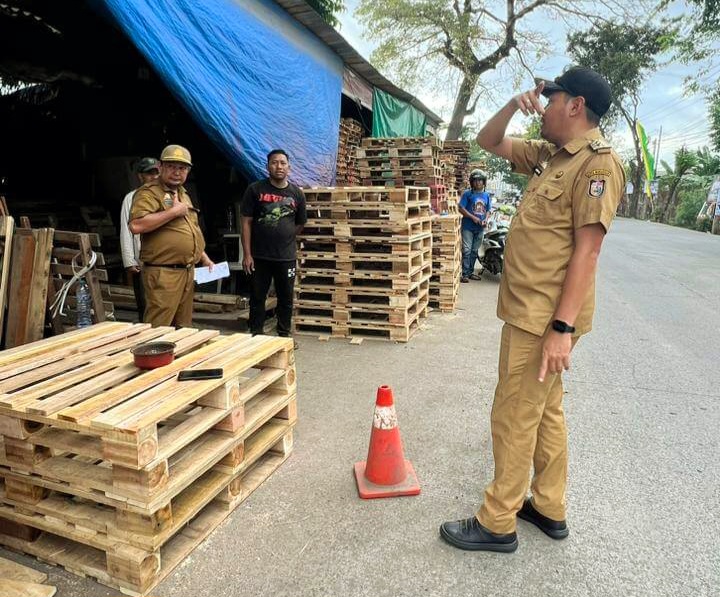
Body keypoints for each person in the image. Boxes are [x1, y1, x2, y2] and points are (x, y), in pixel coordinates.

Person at [440, 66, 625, 552]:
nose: (543, 106)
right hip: (533, 312)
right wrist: (512, 103)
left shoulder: (597, 165)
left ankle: (497, 521)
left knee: (514, 413)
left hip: (542, 318)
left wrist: (561, 328)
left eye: (551, 97)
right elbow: (489, 139)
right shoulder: (551, 155)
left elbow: (588, 252)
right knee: (545, 413)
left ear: (576, 105)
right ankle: (548, 505)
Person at [129, 144, 214, 327]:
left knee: (184, 328)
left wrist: (204, 258)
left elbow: (191, 228)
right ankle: (153, 356)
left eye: (182, 168)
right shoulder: (149, 193)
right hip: (163, 272)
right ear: (161, 167)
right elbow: (136, 225)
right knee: (158, 328)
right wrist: (173, 212)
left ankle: (179, 356)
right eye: (172, 166)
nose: (177, 172)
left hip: (186, 271)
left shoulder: (183, 194)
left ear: (188, 171)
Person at [241, 149, 307, 340]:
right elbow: (246, 221)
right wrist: (247, 254)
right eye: (274, 162)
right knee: (257, 298)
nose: (279, 166)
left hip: (286, 257)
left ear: (289, 167)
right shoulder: (255, 190)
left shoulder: (296, 194)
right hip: (259, 256)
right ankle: (256, 335)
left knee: (286, 298)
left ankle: (284, 335)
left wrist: (286, 237)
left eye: (283, 163)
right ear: (267, 166)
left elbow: (301, 222)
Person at [119, 157, 160, 319]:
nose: (154, 176)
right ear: (140, 176)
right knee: (145, 306)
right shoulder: (132, 198)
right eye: (149, 173)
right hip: (142, 261)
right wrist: (129, 261)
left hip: (164, 260)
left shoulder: (168, 196)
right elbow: (126, 230)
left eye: (157, 172)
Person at [458, 169, 492, 282]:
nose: (478, 183)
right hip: (468, 227)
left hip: (480, 228)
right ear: (472, 182)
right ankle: (464, 274)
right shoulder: (467, 194)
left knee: (474, 251)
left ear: (484, 182)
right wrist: (473, 218)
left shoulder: (486, 195)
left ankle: (471, 272)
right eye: (475, 181)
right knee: (467, 250)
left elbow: (488, 210)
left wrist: (485, 220)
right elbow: (461, 208)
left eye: (480, 180)